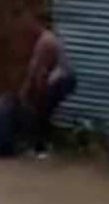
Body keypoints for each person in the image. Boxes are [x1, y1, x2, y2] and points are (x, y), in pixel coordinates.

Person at [18, 11, 76, 157]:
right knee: (44, 111)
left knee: (41, 112)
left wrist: (26, 92)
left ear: (40, 23)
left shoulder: (45, 41)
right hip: (65, 80)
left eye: (33, 23)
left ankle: (40, 148)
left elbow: (36, 70)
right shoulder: (52, 38)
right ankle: (43, 145)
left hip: (61, 80)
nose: (30, 26)